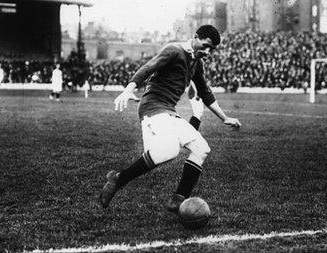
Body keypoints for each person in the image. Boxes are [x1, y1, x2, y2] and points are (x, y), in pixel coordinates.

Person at [99, 25, 241, 213]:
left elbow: (206, 93)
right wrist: (128, 89)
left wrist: (225, 118)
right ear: (195, 37)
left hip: (169, 111)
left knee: (201, 148)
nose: (207, 52)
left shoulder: (197, 63)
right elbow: (148, 68)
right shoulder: (174, 50)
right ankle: (118, 179)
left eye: (211, 50)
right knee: (169, 150)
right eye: (205, 46)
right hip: (152, 107)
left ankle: (178, 199)